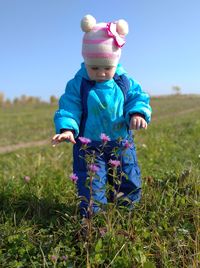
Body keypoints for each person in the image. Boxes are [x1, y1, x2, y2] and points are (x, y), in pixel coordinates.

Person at [52, 14, 152, 217]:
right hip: (89, 145)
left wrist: (138, 113)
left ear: (116, 62)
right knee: (91, 181)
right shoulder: (78, 84)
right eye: (94, 67)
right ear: (85, 61)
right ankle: (94, 216)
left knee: (127, 175)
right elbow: (69, 107)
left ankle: (127, 212)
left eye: (107, 67)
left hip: (121, 141)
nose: (101, 73)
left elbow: (138, 97)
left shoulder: (124, 81)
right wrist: (67, 128)